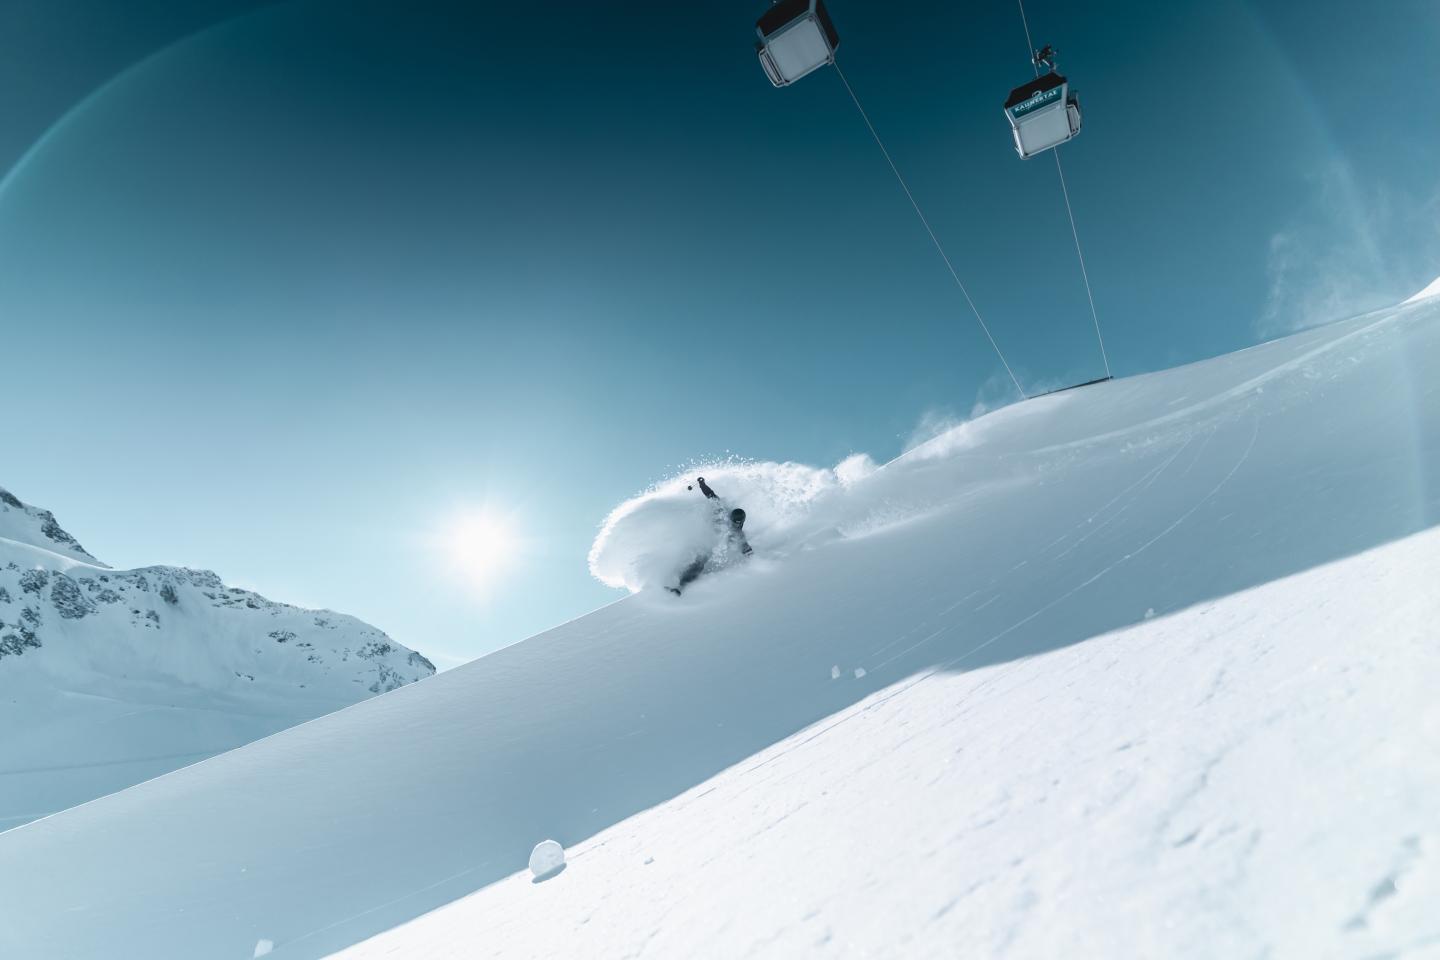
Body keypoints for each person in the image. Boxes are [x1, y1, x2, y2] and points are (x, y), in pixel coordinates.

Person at [668, 476, 753, 595]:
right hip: (707, 533)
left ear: (741, 523)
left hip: (714, 544)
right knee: (693, 555)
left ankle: (680, 586)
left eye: (737, 523)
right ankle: (676, 575)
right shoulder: (722, 510)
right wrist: (702, 484)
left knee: (701, 560)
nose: (734, 524)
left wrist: (754, 561)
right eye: (733, 521)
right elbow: (711, 495)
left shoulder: (738, 533)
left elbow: (746, 549)